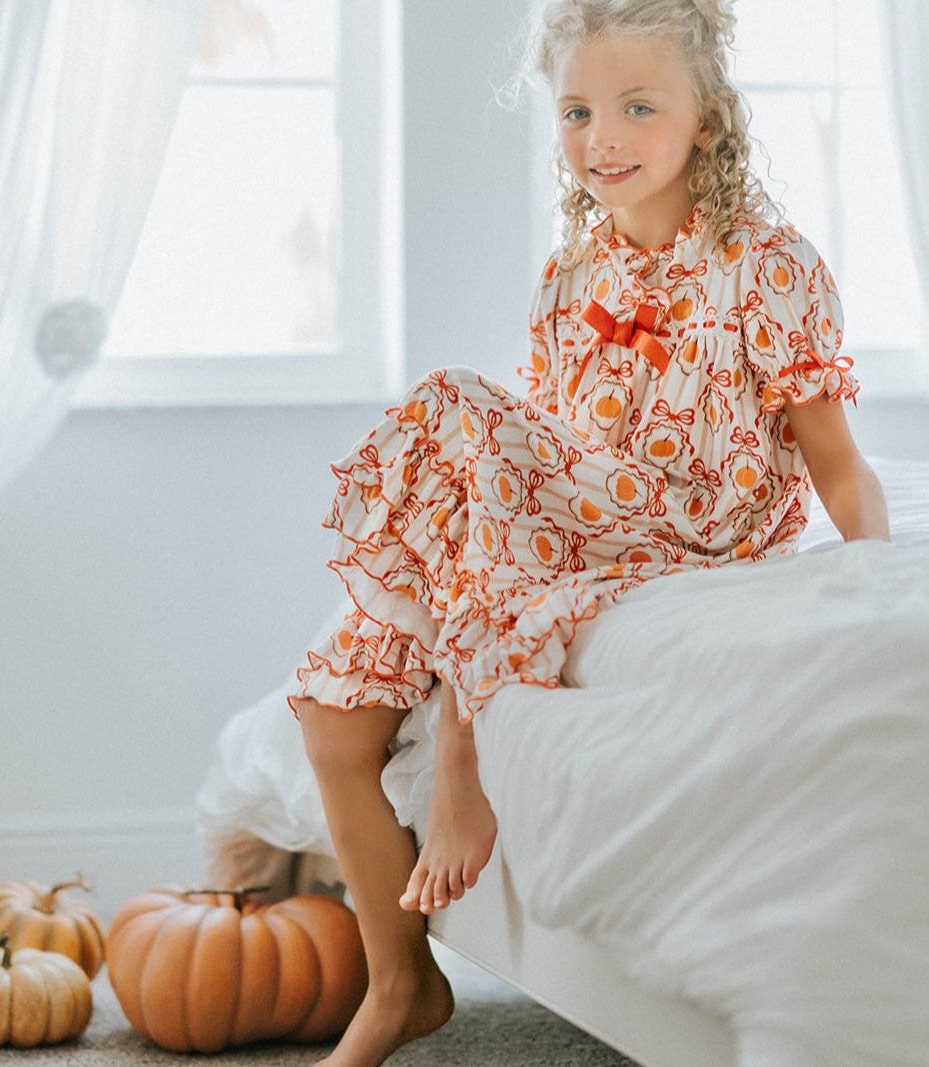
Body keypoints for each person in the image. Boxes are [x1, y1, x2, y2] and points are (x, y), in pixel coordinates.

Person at [290, 2, 890, 1065]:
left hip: (696, 521)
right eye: (574, 111)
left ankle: (464, 748)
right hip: (585, 514)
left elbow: (833, 458)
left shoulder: (766, 263)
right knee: (333, 706)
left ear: (705, 120)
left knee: (451, 402)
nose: (598, 139)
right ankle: (399, 984)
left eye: (636, 107)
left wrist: (869, 574)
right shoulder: (572, 271)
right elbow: (532, 463)